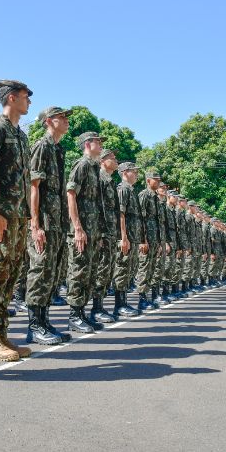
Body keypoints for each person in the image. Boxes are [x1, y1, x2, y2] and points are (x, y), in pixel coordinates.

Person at [0, 79, 33, 361]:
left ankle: (1, 334)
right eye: (26, 96)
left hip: (18, 217)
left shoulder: (20, 135)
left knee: (10, 275)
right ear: (11, 98)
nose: (29, 102)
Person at [25, 106, 73, 345]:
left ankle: (44, 321)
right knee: (40, 270)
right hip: (43, 221)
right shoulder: (42, 147)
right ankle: (34, 325)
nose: (66, 121)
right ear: (50, 121)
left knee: (51, 273)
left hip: (56, 222)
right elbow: (34, 186)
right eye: (62, 117)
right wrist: (35, 224)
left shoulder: (58, 149)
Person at [65, 131, 105, 332]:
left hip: (93, 231)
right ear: (88, 144)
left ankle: (82, 312)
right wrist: (78, 228)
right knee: (79, 271)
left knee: (89, 272)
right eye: (99, 142)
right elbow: (71, 195)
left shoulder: (94, 168)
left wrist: (97, 233)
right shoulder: (81, 165)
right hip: (81, 231)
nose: (101, 146)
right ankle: (74, 315)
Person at [90, 148, 120, 323]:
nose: (115, 160)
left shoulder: (109, 180)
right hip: (101, 231)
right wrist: (99, 232)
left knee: (107, 270)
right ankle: (96, 308)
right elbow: (97, 207)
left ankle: (100, 307)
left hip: (110, 232)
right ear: (103, 160)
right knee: (101, 270)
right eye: (112, 157)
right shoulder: (100, 178)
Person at [111, 162, 143, 318]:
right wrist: (123, 237)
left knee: (129, 269)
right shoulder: (123, 189)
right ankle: (119, 305)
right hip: (126, 237)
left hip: (133, 237)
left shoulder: (131, 190)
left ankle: (123, 302)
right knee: (122, 269)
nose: (136, 174)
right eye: (133, 171)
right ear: (124, 172)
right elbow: (121, 215)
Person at [136, 170, 162, 309]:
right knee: (144, 268)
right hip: (146, 239)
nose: (158, 182)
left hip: (154, 239)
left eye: (159, 179)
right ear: (148, 181)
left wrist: (157, 242)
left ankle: (148, 297)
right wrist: (142, 240)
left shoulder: (155, 197)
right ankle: (142, 298)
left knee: (151, 267)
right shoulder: (144, 195)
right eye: (155, 179)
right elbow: (140, 219)